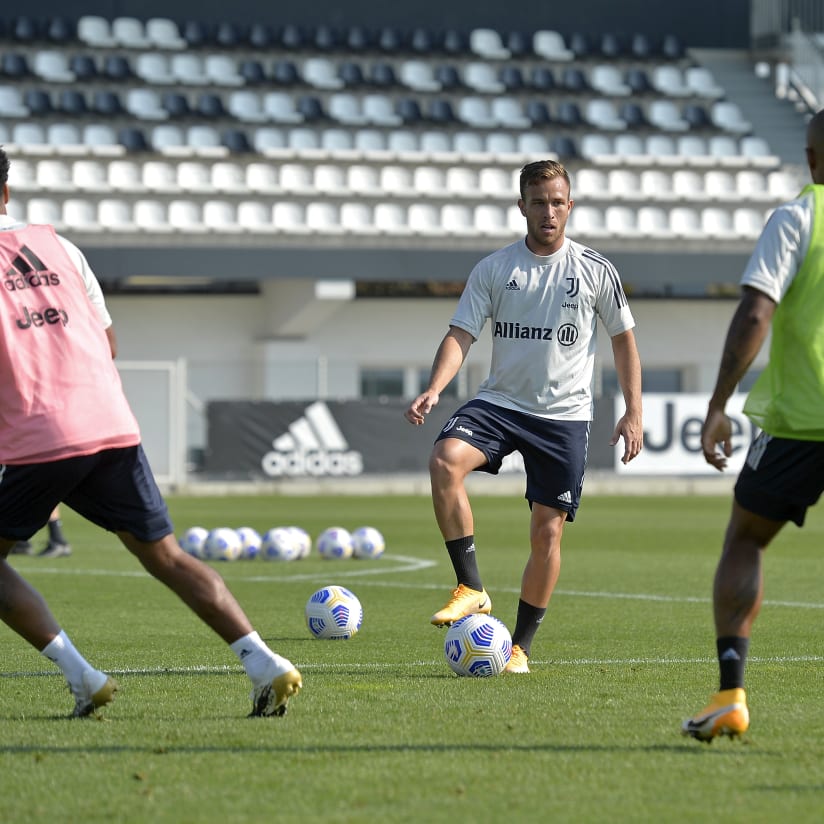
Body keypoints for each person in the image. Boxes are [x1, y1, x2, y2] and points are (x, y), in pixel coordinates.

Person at [0, 147, 302, 718]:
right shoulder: (61, 246)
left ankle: (82, 677)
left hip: (40, 431)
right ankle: (263, 661)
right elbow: (109, 345)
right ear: (7, 193)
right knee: (164, 554)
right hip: (110, 420)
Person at [404, 159, 643, 674]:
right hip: (502, 403)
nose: (549, 212)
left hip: (565, 417)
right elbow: (461, 334)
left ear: (570, 206)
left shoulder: (596, 270)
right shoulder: (494, 268)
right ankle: (470, 586)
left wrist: (632, 412)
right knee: (445, 461)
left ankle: (521, 647)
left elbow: (624, 343)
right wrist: (434, 388)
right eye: (539, 202)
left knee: (547, 533)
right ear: (522, 207)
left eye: (558, 202)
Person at [682, 111, 824, 742]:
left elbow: (755, 312)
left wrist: (719, 403)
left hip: (800, 421)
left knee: (745, 538)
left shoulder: (799, 217)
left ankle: (730, 694)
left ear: (811, 157)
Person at [10, 240, 118, 560]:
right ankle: (32, 537)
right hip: (92, 411)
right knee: (159, 548)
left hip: (37, 411)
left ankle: (52, 538)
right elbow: (110, 345)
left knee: (40, 477)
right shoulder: (64, 249)